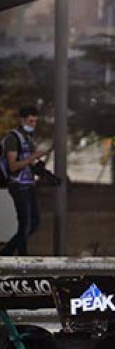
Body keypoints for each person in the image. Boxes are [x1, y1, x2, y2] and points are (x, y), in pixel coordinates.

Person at [1, 106, 50, 256]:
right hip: (18, 186)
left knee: (34, 223)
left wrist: (41, 170)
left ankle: (13, 253)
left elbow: (29, 164)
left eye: (35, 121)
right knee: (25, 225)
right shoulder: (12, 138)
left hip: (28, 185)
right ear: (22, 120)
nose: (33, 124)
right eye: (30, 121)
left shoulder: (28, 139)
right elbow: (13, 166)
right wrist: (33, 157)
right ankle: (12, 254)